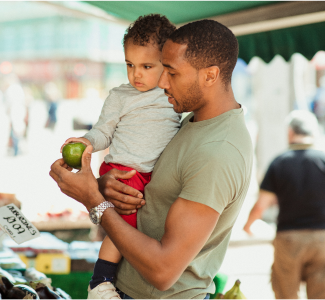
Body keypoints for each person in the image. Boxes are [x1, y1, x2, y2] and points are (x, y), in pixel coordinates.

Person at [50, 19, 253, 300]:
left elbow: (163, 272)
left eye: (171, 72)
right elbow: (154, 191)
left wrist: (94, 200)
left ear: (210, 75)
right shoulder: (190, 122)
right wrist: (107, 186)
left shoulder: (217, 151)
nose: (161, 82)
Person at [60, 14, 180, 300]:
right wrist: (86, 141)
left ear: (168, 62)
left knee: (146, 233)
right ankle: (100, 281)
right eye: (130, 65)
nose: (136, 74)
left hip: (155, 177)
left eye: (146, 66)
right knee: (121, 227)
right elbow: (103, 131)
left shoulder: (175, 96)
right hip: (125, 171)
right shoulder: (120, 96)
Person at [243, 110, 325, 300]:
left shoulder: (279, 163)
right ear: (314, 132)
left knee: (285, 293)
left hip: (289, 238)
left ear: (290, 133)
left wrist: (247, 226)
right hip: (322, 238)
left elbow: (261, 205)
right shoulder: (323, 160)